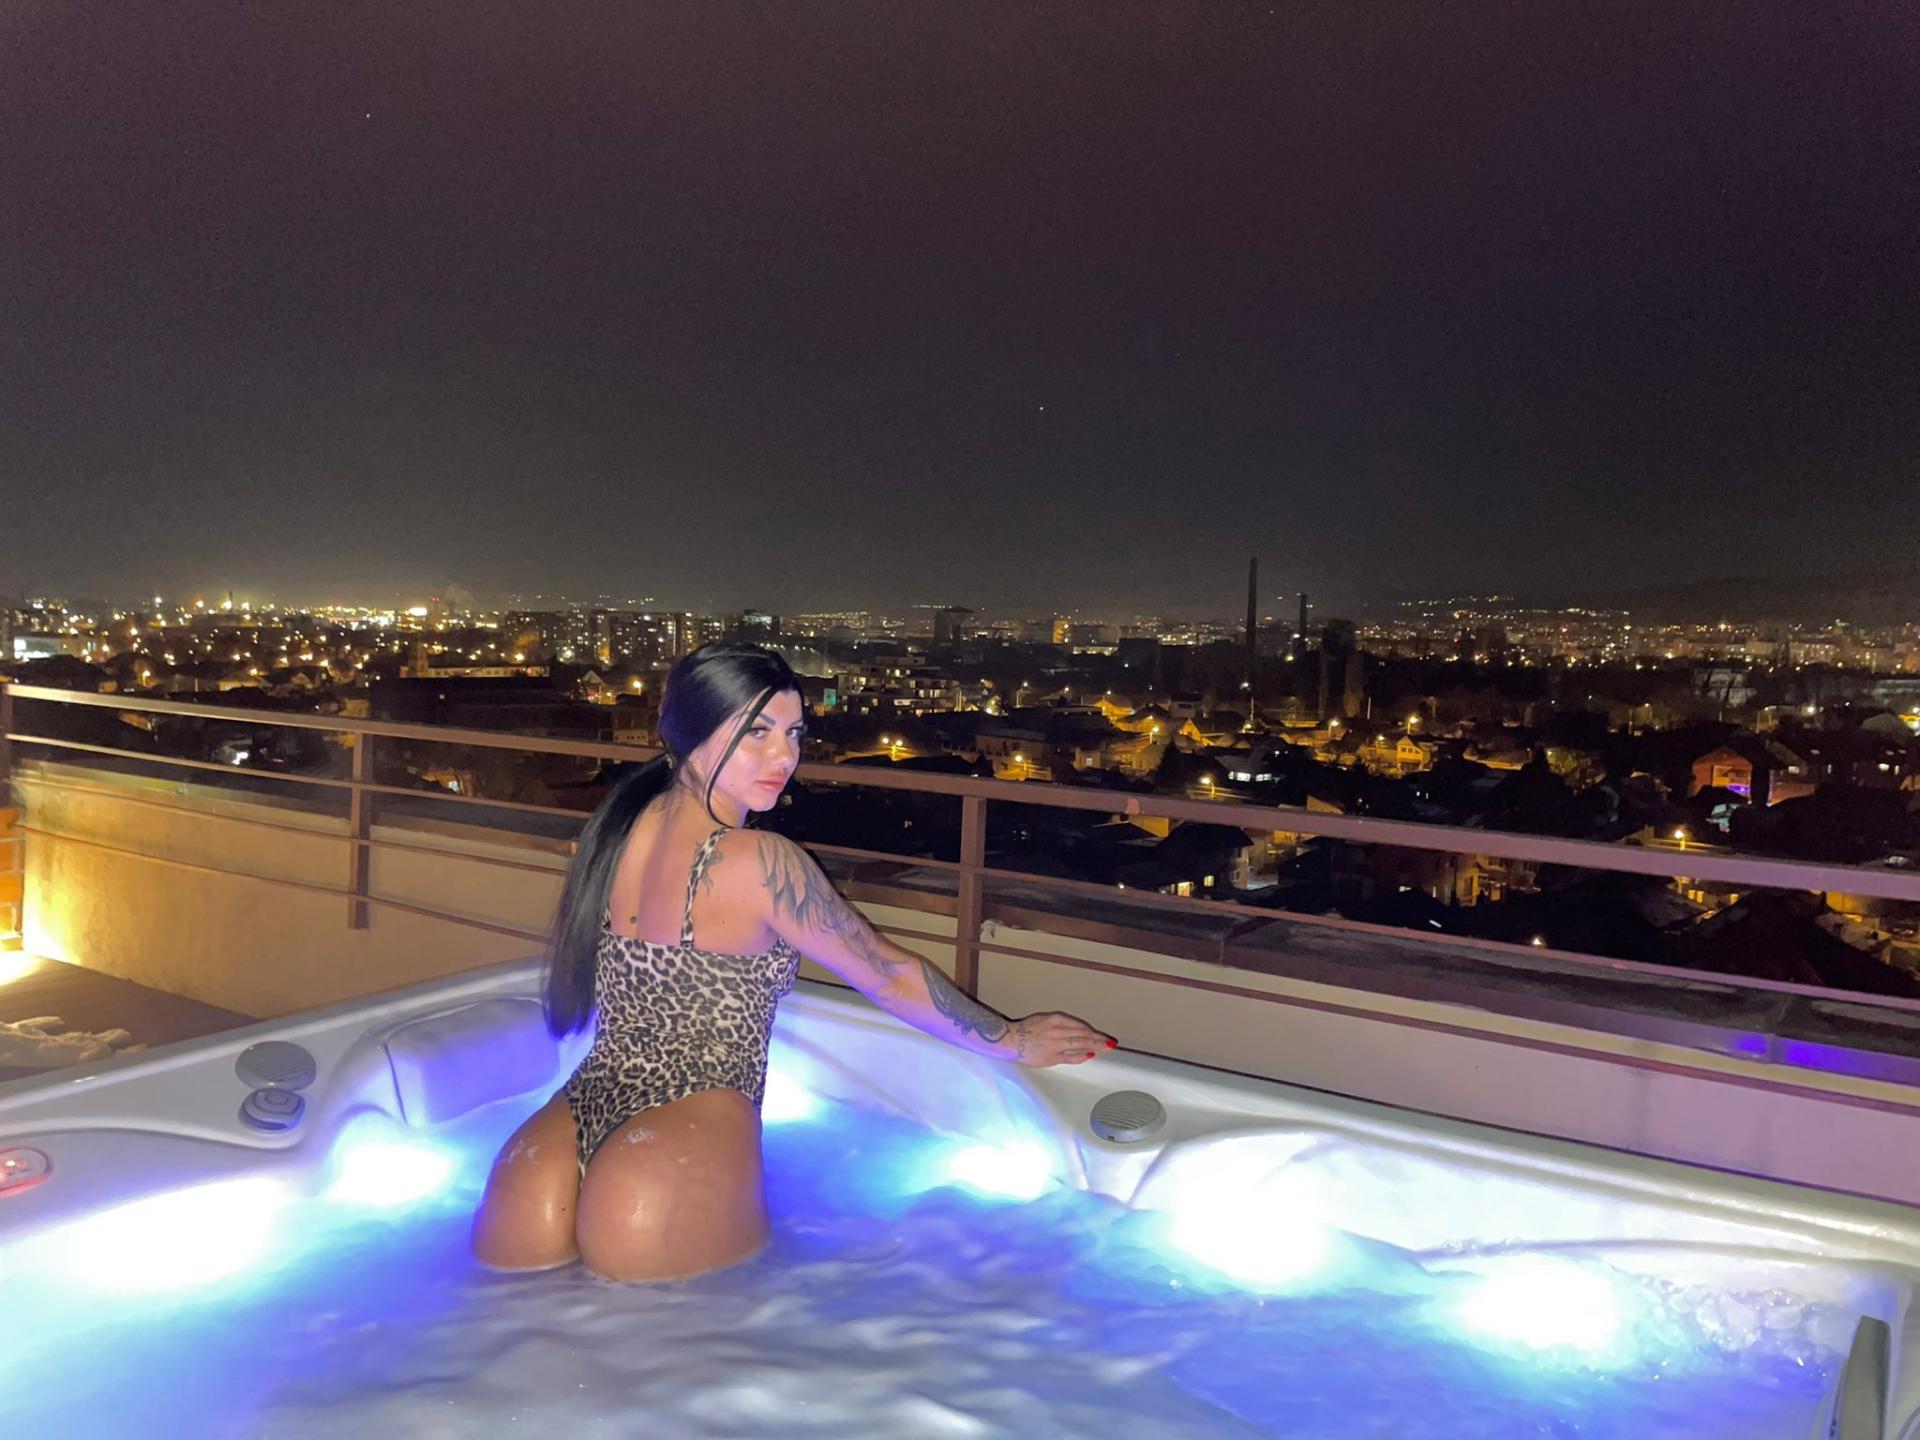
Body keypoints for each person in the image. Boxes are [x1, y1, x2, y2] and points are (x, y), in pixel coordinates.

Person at [472, 643, 1116, 1281]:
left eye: (795, 733)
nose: (786, 757)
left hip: (549, 1146)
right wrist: (1012, 1038)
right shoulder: (760, 860)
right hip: (676, 1145)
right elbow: (889, 976)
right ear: (692, 732)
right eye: (756, 732)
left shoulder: (616, 828)